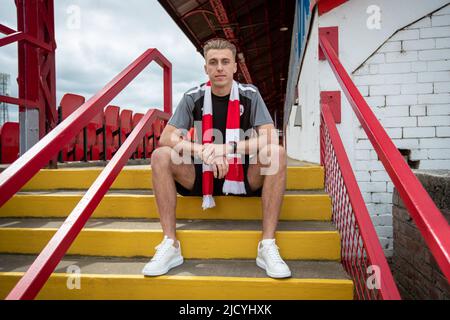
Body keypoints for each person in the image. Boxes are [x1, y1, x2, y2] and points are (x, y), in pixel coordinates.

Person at [142, 38, 290, 279]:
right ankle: (170, 244)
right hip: (201, 174)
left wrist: (226, 148)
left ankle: (267, 245)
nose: (219, 67)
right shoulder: (193, 96)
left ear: (234, 67)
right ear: (206, 69)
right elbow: (167, 137)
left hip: (242, 175)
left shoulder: (249, 95)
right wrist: (201, 150)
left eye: (225, 62)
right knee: (160, 156)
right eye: (213, 62)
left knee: (277, 153)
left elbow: (269, 137)